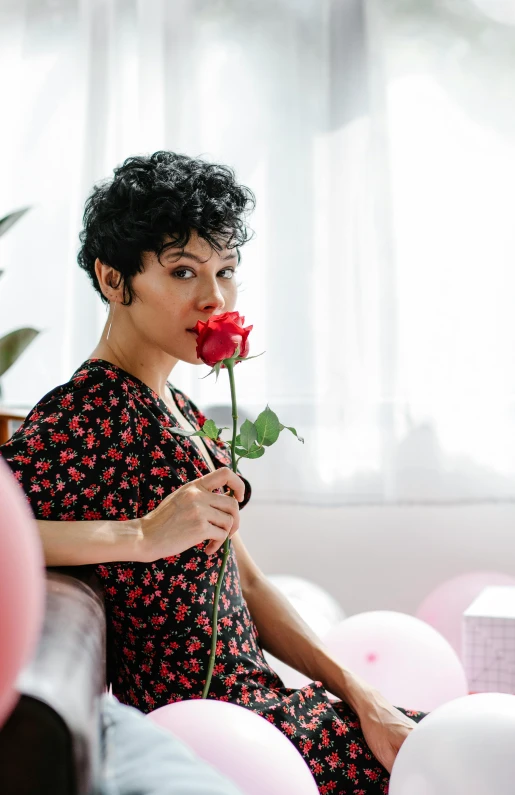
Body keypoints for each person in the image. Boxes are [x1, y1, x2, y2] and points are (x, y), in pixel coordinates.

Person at [0, 151, 426, 793]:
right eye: (182, 272)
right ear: (114, 280)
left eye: (226, 272)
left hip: (266, 713)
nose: (214, 298)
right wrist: (141, 536)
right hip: (214, 732)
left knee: (437, 742)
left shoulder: (181, 405)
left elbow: (247, 582)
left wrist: (365, 700)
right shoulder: (85, 414)